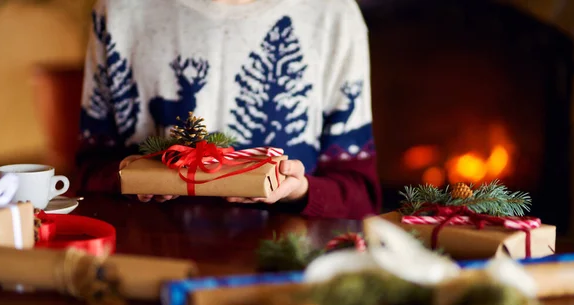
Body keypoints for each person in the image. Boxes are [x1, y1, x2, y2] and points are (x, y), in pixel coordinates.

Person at [77, 0, 381, 220]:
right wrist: (132, 178)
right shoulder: (119, 11)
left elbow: (361, 198)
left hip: (283, 267)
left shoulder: (334, 15)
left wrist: (301, 191)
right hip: (151, 256)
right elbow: (88, 174)